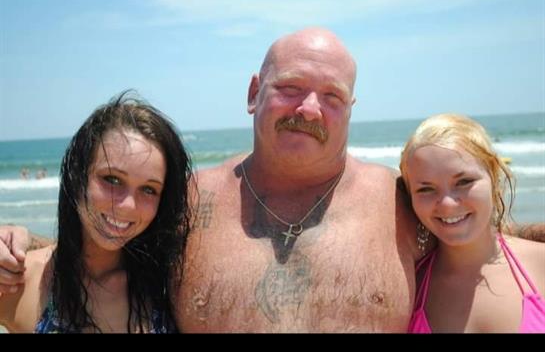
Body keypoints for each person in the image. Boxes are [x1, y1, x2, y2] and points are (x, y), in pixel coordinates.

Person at [1, 28, 544, 332]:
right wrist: (17, 242)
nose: (309, 108)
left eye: (331, 96)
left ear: (350, 110)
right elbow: (111, 237)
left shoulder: (398, 200)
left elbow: (473, 235)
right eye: (290, 88)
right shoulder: (189, 200)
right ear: (253, 92)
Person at [0, 91, 193, 333]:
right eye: (112, 179)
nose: (128, 205)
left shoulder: (171, 285)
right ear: (78, 175)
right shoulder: (18, 281)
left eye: (149, 189)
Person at [400, 114, 545, 333]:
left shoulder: (540, 264)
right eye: (426, 189)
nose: (447, 204)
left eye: (464, 181)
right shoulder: (408, 287)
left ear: (494, 177)